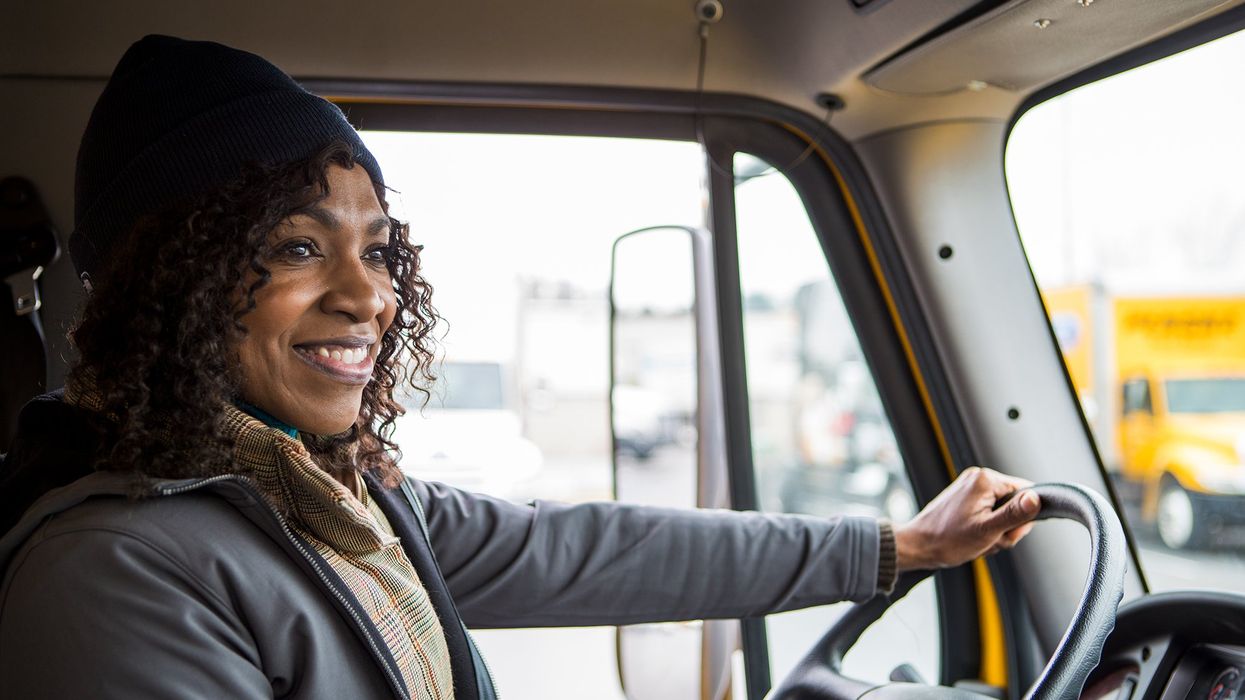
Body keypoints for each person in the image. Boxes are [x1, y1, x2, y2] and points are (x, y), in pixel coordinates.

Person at [0, 35, 1041, 699]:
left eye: (376, 248)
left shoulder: (323, 497)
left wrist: (894, 548)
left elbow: (589, 550)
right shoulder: (110, 573)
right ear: (166, 282)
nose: (368, 295)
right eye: (296, 246)